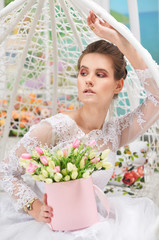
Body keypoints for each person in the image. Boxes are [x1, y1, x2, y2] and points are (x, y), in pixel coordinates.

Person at [0, 10, 159, 240]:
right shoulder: (55, 128)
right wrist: (32, 205)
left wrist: (120, 41)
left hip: (95, 223)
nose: (88, 80)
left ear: (118, 85)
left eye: (100, 74)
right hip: (50, 226)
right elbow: (6, 170)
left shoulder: (115, 132)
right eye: (83, 72)